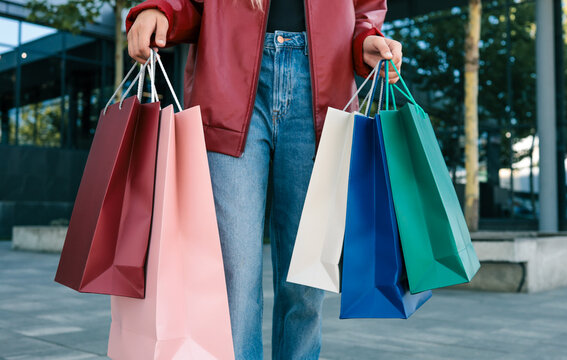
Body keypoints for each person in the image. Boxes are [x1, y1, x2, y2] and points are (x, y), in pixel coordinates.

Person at [125, 0, 402, 358]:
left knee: (305, 279)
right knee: (233, 273)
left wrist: (366, 39)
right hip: (228, 84)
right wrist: (161, 10)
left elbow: (365, 9)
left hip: (322, 89)